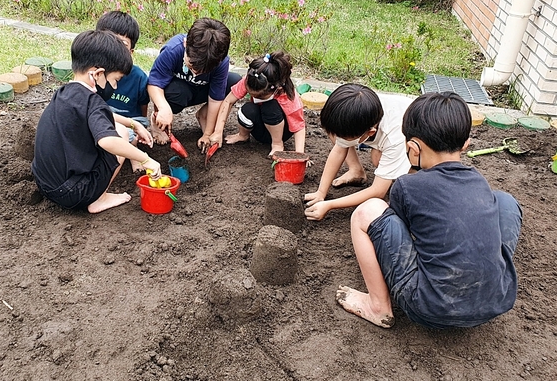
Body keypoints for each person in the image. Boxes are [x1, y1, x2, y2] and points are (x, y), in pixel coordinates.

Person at [336, 92, 522, 329]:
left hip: (429, 308)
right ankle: (486, 277)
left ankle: (377, 306)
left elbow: (400, 234)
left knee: (368, 211)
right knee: (505, 201)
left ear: (413, 148)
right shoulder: (479, 181)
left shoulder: (407, 186)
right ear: (465, 144)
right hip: (496, 301)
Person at [32, 30, 161, 214]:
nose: (115, 86)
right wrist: (146, 159)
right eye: (115, 80)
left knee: (120, 127)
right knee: (120, 134)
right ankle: (99, 198)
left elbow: (102, 115)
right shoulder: (93, 102)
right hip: (74, 194)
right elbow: (107, 140)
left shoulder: (65, 93)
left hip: (45, 184)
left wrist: (134, 123)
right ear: (98, 74)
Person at [304, 84, 412, 221]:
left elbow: (378, 191)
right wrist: (321, 192)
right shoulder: (358, 110)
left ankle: (408, 180)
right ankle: (356, 171)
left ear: (370, 132)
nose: (339, 140)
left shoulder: (395, 136)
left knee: (379, 161)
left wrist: (330, 205)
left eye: (344, 138)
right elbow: (338, 150)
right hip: (386, 134)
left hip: (423, 150)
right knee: (371, 153)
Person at [146, 17, 242, 150]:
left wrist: (208, 134)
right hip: (179, 90)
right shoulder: (173, 50)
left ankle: (203, 115)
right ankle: (158, 122)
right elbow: (154, 83)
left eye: (204, 70)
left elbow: (215, 100)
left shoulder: (221, 62)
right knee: (174, 93)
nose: (196, 72)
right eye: (191, 65)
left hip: (203, 88)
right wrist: (163, 108)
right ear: (185, 43)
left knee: (234, 82)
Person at [210, 51, 306, 157]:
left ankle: (277, 144)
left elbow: (299, 127)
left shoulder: (288, 96)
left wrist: (300, 155)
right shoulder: (252, 79)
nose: (254, 97)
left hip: (281, 130)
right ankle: (243, 136)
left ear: (276, 88)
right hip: (260, 130)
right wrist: (218, 131)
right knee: (247, 109)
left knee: (270, 107)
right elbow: (228, 101)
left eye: (259, 96)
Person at [96, 10, 151, 172]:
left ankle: (134, 155)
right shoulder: (95, 73)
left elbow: (142, 107)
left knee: (132, 131)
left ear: (131, 52)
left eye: (122, 44)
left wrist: (140, 125)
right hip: (103, 118)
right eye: (110, 41)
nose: (115, 49)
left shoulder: (139, 77)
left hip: (130, 120)